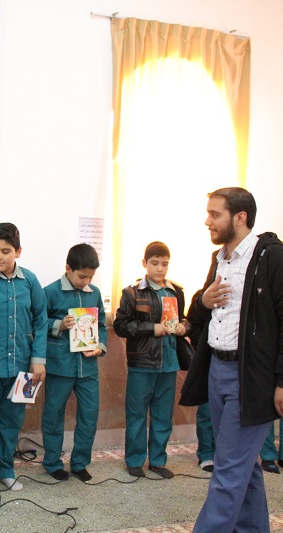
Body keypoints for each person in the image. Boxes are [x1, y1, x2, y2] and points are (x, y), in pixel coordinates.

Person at [181, 187, 283, 533]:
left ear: (240, 218)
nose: (207, 221)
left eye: (215, 214)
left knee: (227, 471)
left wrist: (281, 381)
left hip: (250, 376)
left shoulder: (271, 257)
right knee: (244, 467)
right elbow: (200, 312)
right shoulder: (219, 258)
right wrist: (203, 301)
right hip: (218, 370)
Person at [0, 222, 48, 495]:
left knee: (11, 422)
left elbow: (41, 320)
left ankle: (5, 471)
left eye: (5, 251)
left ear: (18, 251)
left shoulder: (30, 281)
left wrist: (38, 359)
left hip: (23, 368)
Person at [114, 241, 190, 479]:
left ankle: (157, 461)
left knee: (163, 417)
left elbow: (184, 319)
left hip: (169, 363)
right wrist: (152, 328)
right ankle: (134, 461)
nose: (160, 268)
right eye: (155, 263)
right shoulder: (132, 292)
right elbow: (121, 325)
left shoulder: (176, 291)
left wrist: (183, 327)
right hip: (142, 364)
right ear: (144, 263)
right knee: (136, 415)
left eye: (164, 264)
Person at [41, 243, 106, 482]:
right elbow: (37, 323)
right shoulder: (50, 292)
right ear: (68, 268)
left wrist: (100, 347)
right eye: (82, 276)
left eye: (91, 277)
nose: (86, 281)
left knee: (89, 415)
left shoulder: (94, 293)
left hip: (88, 367)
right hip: (60, 365)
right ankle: (52, 462)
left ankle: (80, 463)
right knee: (53, 414)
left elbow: (101, 325)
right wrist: (59, 324)